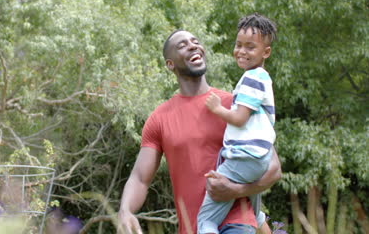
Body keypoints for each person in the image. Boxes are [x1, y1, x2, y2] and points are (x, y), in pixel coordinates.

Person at [117, 28, 281, 234]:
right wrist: (125, 210)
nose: (193, 45)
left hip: (236, 223)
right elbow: (140, 178)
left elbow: (273, 168)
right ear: (170, 64)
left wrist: (236, 190)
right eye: (182, 45)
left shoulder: (235, 106)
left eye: (195, 41)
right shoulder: (159, 119)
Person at [197, 13, 278, 234]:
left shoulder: (254, 77)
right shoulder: (259, 77)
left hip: (244, 158)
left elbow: (240, 118)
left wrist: (217, 109)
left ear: (266, 52)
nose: (241, 51)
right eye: (238, 44)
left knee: (205, 221)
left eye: (250, 47)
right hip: (258, 158)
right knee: (256, 213)